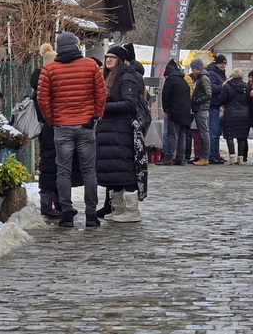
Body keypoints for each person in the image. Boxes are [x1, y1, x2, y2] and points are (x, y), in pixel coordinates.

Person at [37, 31, 106, 228]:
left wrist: (53, 120)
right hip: (86, 125)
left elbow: (43, 99)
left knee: (63, 171)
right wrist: (96, 116)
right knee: (89, 171)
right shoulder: (91, 65)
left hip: (62, 126)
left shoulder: (49, 69)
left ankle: (66, 214)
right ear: (76, 45)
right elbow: (100, 93)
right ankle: (91, 215)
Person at [30, 43, 84, 219]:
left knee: (59, 166)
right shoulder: (45, 85)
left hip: (56, 127)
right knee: (51, 165)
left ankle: (60, 202)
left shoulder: (43, 84)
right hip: (51, 128)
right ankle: (48, 203)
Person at [95, 45, 145, 223]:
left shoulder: (126, 78)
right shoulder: (108, 77)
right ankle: (117, 208)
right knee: (113, 171)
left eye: (112, 57)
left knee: (125, 170)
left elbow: (129, 104)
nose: (108, 60)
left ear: (121, 60)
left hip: (121, 131)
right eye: (107, 56)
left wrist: (102, 108)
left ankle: (132, 211)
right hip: (109, 131)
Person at [156, 59, 192, 166]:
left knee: (173, 135)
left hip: (175, 112)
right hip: (185, 113)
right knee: (182, 136)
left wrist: (166, 110)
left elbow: (165, 96)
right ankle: (181, 158)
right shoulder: (183, 80)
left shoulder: (170, 80)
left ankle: (168, 157)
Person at [220, 68, 250, 164]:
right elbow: (248, 100)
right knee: (241, 136)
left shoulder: (227, 86)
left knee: (229, 135)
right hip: (244, 114)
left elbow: (223, 99)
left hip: (230, 113)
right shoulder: (246, 86)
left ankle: (232, 156)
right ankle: (240, 158)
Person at [206, 54, 228, 164]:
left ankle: (216, 154)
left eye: (224, 64)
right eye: (221, 63)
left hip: (220, 107)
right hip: (213, 107)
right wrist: (224, 85)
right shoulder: (212, 74)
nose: (223, 65)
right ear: (216, 63)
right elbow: (212, 89)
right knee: (213, 133)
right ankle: (211, 155)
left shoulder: (221, 73)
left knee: (218, 133)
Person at [188, 58, 211, 165]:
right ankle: (203, 156)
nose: (192, 71)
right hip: (200, 109)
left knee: (204, 133)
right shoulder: (201, 78)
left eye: (193, 69)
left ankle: (205, 157)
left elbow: (208, 93)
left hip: (202, 109)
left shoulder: (203, 78)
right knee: (202, 133)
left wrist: (196, 101)